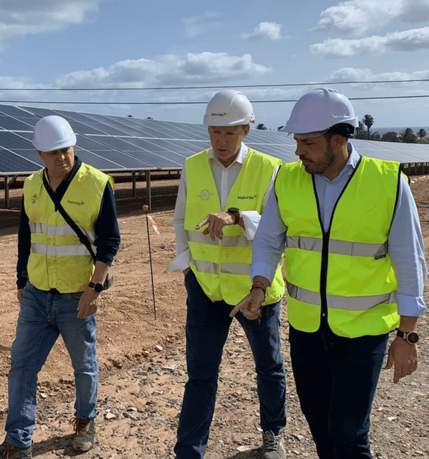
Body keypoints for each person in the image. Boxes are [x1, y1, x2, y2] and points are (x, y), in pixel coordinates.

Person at [232, 88, 427, 459]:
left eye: (307, 142)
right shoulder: (286, 180)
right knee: (318, 420)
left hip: (363, 331)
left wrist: (408, 334)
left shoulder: (387, 181)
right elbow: (269, 241)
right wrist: (259, 285)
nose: (298, 150)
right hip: (306, 330)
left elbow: (409, 260)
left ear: (338, 140)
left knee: (348, 431)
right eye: (296, 141)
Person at [0, 115, 121, 459]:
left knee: (84, 365)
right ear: (40, 153)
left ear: (74, 147)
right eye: (53, 152)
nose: (62, 157)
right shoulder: (30, 185)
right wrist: (21, 282)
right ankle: (18, 441)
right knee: (22, 366)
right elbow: (26, 238)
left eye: (66, 149)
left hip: (76, 294)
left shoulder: (97, 183)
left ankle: (85, 422)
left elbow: (110, 241)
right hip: (38, 294)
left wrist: (95, 288)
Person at [168, 90, 288, 459]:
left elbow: (277, 227)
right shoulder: (192, 166)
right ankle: (188, 451)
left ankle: (273, 433)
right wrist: (188, 264)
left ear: (246, 131)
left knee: (268, 365)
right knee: (200, 373)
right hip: (204, 287)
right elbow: (180, 219)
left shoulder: (269, 169)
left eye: (230, 133)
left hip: (254, 289)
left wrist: (236, 216)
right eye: (214, 132)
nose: (221, 141)